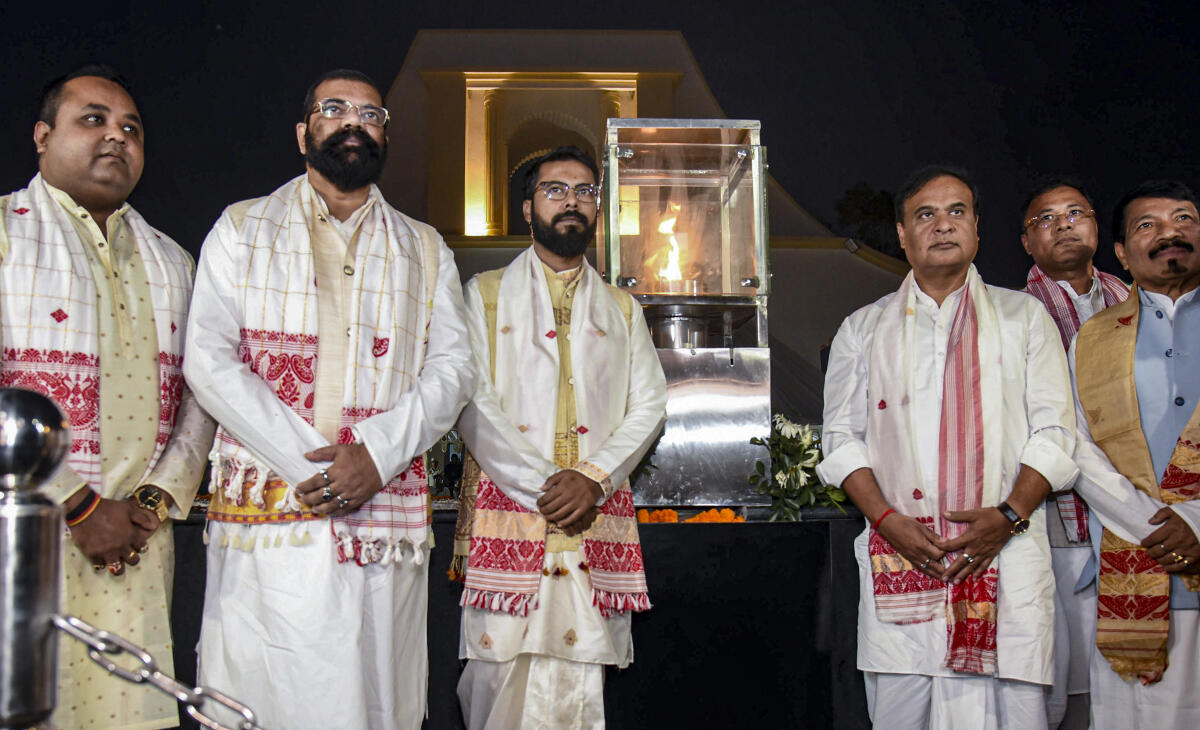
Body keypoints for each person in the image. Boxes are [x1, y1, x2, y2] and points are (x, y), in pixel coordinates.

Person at [183, 69, 474, 730]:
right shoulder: (242, 228)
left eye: (371, 115)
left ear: (385, 137)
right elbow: (208, 358)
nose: (353, 123)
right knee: (268, 693)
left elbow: (454, 370)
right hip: (271, 527)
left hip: (381, 529)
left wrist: (375, 456)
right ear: (302, 133)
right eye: (334, 108)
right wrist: (311, 465)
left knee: (375, 698)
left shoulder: (424, 247)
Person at [817, 166, 1078, 729]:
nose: (943, 224)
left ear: (978, 227)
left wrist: (1007, 516)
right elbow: (840, 441)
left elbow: (1056, 434)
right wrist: (888, 521)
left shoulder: (1023, 318)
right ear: (902, 234)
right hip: (902, 558)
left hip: (1007, 555)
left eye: (957, 211)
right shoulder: (863, 328)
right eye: (925, 214)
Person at [0, 65, 214, 729]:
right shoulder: (4, 233)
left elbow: (201, 400)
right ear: (43, 135)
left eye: (132, 129)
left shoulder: (173, 262)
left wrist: (152, 503)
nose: (117, 137)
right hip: (21, 537)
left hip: (135, 548)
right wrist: (78, 503)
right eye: (93, 119)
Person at [453, 145, 667, 729]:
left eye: (584, 191)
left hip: (592, 515)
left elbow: (649, 404)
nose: (571, 201)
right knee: (497, 680)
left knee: (579, 689)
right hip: (512, 510)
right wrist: (547, 487)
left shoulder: (623, 308)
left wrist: (593, 480)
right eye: (555, 190)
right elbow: (471, 400)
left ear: (597, 208)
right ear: (528, 208)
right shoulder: (484, 293)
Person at [1070, 180, 1200, 729]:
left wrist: (1196, 521)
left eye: (1184, 219)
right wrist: (1152, 524)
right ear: (1122, 254)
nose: (1170, 232)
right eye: (1148, 225)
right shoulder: (1091, 338)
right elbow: (1076, 446)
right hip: (1130, 563)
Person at [1018, 178, 1128, 727]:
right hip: (1057, 511)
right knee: (1067, 666)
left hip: (1140, 503)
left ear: (1097, 229)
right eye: (1046, 218)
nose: (1063, 224)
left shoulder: (1130, 298)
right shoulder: (1015, 313)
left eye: (1075, 213)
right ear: (1026, 242)